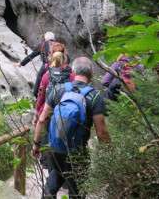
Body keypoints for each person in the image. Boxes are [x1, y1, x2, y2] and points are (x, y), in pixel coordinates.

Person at [33, 56, 110, 198]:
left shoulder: (58, 90)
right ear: (91, 73)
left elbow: (42, 119)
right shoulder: (94, 97)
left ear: (74, 71)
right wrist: (108, 156)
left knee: (53, 180)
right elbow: (102, 132)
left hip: (55, 148)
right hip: (78, 152)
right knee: (77, 191)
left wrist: (36, 145)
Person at [16, 32, 67, 97]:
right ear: (53, 38)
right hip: (59, 67)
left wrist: (21, 63)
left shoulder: (42, 45)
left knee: (39, 78)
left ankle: (35, 94)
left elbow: (32, 55)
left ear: (45, 38)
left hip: (46, 66)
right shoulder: (59, 45)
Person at [35, 51, 74, 117]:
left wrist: (37, 112)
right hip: (65, 111)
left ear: (52, 60)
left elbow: (41, 95)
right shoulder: (72, 76)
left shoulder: (47, 75)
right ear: (65, 61)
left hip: (47, 110)